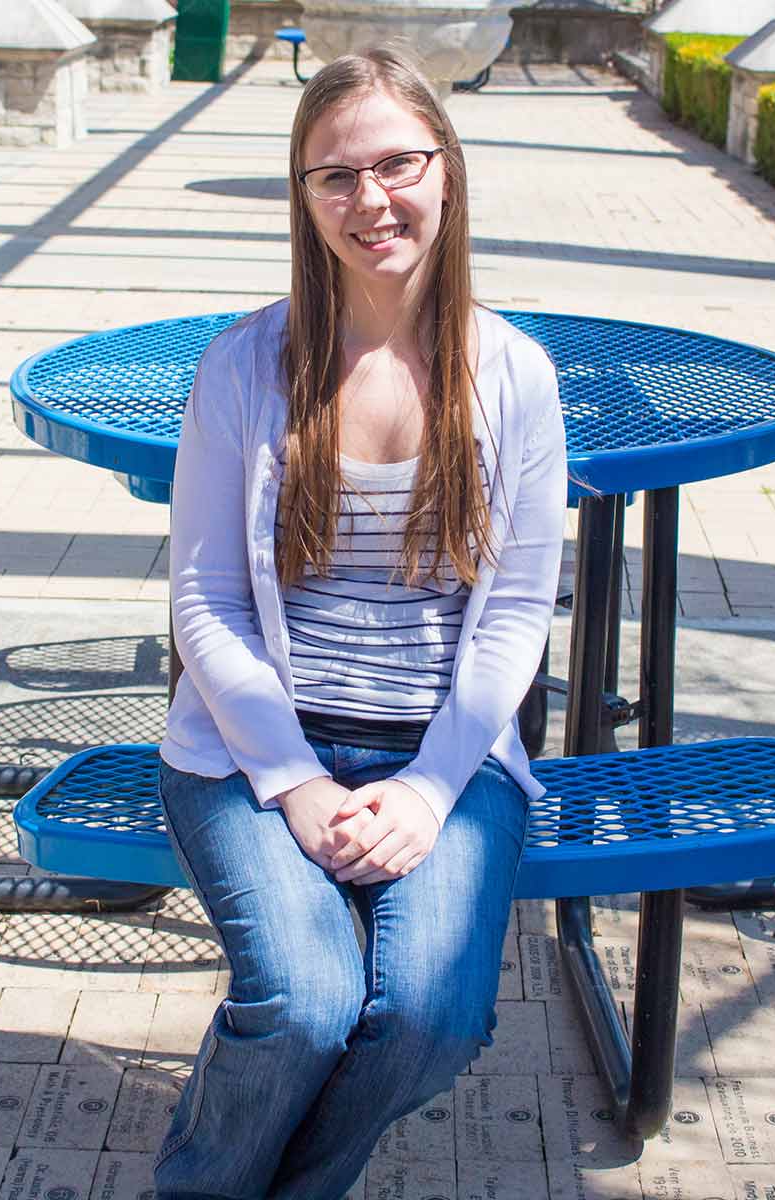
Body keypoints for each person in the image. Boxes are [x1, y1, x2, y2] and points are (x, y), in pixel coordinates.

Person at [154, 47, 567, 1200]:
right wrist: (294, 781)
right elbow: (205, 603)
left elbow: (517, 614)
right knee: (306, 1004)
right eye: (334, 176)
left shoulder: (515, 375)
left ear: (449, 171)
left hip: (442, 753)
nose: (370, 200)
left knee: (432, 1017)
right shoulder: (244, 367)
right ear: (300, 196)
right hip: (250, 753)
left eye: (397, 163)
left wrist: (433, 788)